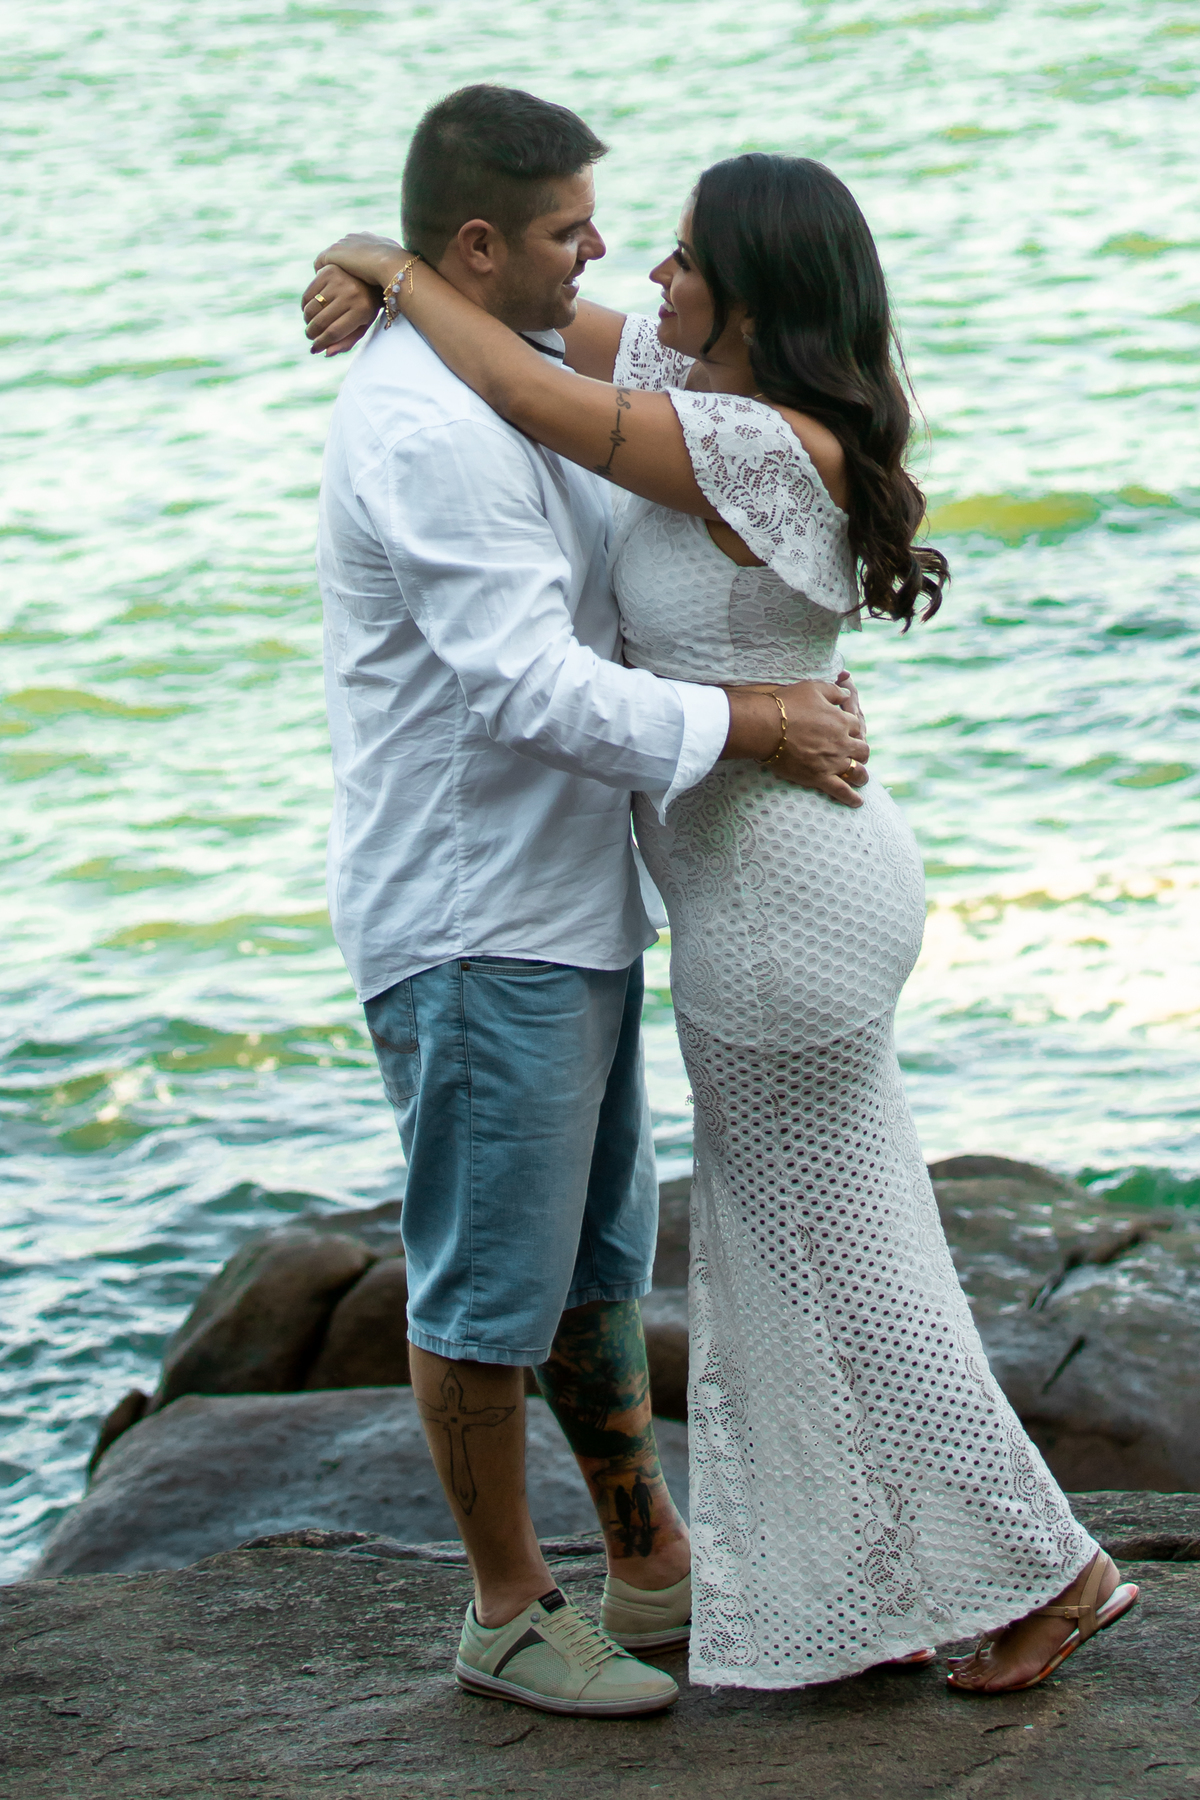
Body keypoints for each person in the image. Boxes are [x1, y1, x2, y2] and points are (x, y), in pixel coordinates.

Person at [306, 139, 1140, 1698]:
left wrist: (400, 270)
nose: (645, 278)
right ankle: (908, 1572)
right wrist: (384, 251)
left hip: (775, 904)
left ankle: (1055, 1568)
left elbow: (531, 388)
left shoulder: (754, 447)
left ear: (749, 300)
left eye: (682, 258)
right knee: (820, 1257)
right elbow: (543, 339)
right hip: (786, 881)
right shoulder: (725, 400)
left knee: (849, 1267)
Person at [302, 85, 872, 1719]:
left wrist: (372, 254)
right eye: (568, 230)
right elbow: (529, 689)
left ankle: (651, 1562)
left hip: (572, 904)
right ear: (482, 245)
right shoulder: (422, 423)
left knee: (592, 1272)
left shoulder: (522, 365)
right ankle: (504, 1608)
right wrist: (755, 722)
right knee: (488, 1289)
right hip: (476, 918)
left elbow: (669, 386)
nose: (602, 255)